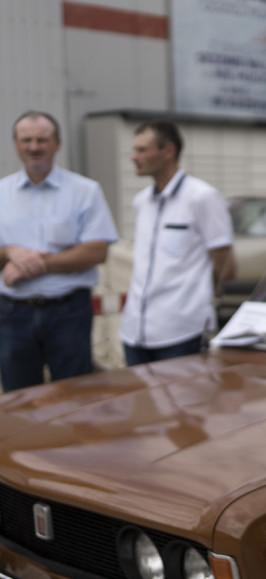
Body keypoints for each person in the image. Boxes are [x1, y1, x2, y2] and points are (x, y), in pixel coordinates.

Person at [0, 111, 118, 391]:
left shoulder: (85, 191)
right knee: (18, 401)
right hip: (12, 314)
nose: (34, 147)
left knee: (74, 397)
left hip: (69, 312)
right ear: (16, 144)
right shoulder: (1, 192)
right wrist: (10, 252)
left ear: (57, 144)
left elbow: (96, 251)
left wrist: (35, 262)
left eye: (42, 139)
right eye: (26, 140)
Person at [119, 120, 236, 366]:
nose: (133, 157)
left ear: (168, 151)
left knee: (184, 404)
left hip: (180, 331)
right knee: (141, 404)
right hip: (135, 331)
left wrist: (202, 294)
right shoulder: (142, 202)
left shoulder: (202, 197)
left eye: (142, 150)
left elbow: (226, 263)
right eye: (134, 150)